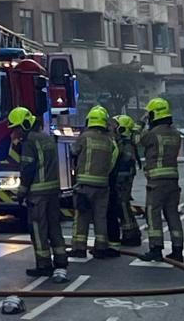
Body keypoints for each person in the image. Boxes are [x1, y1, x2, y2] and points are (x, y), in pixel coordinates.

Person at [10, 106, 68, 277]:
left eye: (17, 128)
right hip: (52, 191)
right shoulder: (46, 138)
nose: (16, 132)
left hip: (37, 194)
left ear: (24, 125)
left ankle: (44, 265)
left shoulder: (29, 142)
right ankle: (61, 260)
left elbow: (28, 168)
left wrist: (21, 192)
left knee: (38, 229)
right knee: (54, 227)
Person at [139, 97, 184, 262]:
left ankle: (155, 249)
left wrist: (140, 122)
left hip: (156, 182)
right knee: (172, 214)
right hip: (173, 180)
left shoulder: (153, 134)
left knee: (153, 214)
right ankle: (178, 250)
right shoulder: (176, 134)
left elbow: (137, 140)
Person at [71, 105, 119, 259]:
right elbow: (111, 162)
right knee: (100, 217)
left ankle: (79, 248)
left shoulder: (84, 137)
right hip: (103, 185)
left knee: (82, 216)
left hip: (85, 184)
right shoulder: (108, 140)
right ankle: (101, 247)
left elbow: (73, 152)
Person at [107, 114, 142, 250]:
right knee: (123, 205)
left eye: (116, 126)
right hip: (122, 177)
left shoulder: (126, 144)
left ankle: (131, 235)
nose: (113, 129)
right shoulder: (124, 142)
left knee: (122, 205)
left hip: (123, 178)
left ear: (122, 129)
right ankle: (131, 233)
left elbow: (126, 159)